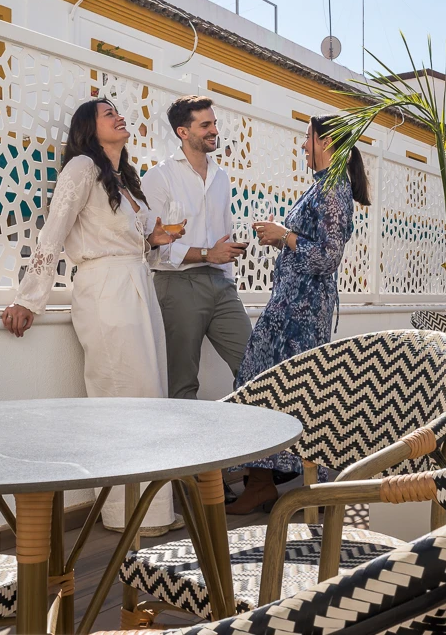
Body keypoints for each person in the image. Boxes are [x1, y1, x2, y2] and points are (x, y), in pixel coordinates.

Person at [1, 97, 186, 537]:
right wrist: (29, 298)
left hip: (137, 287)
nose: (119, 116)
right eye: (108, 114)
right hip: (105, 292)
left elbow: (128, 242)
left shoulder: (124, 180)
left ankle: (153, 512)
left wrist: (154, 239)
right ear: (89, 127)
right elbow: (55, 229)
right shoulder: (82, 168)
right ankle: (125, 514)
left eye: (118, 111)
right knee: (121, 397)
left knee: (148, 396)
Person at [224, 115, 371, 515]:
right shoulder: (322, 186)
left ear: (325, 142)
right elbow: (312, 246)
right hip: (289, 305)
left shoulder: (333, 190)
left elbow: (327, 257)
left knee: (291, 390)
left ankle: (305, 489)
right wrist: (282, 239)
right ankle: (261, 482)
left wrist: (284, 235)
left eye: (308, 138)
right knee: (267, 386)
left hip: (301, 312)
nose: (304, 145)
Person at [141, 95, 251, 401]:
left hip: (221, 284)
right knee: (181, 382)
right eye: (205, 125)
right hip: (177, 284)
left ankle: (255, 429)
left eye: (214, 123)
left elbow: (223, 234)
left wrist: (225, 268)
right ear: (183, 132)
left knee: (256, 365)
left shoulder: (221, 177)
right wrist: (205, 254)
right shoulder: (159, 177)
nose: (214, 130)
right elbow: (151, 244)